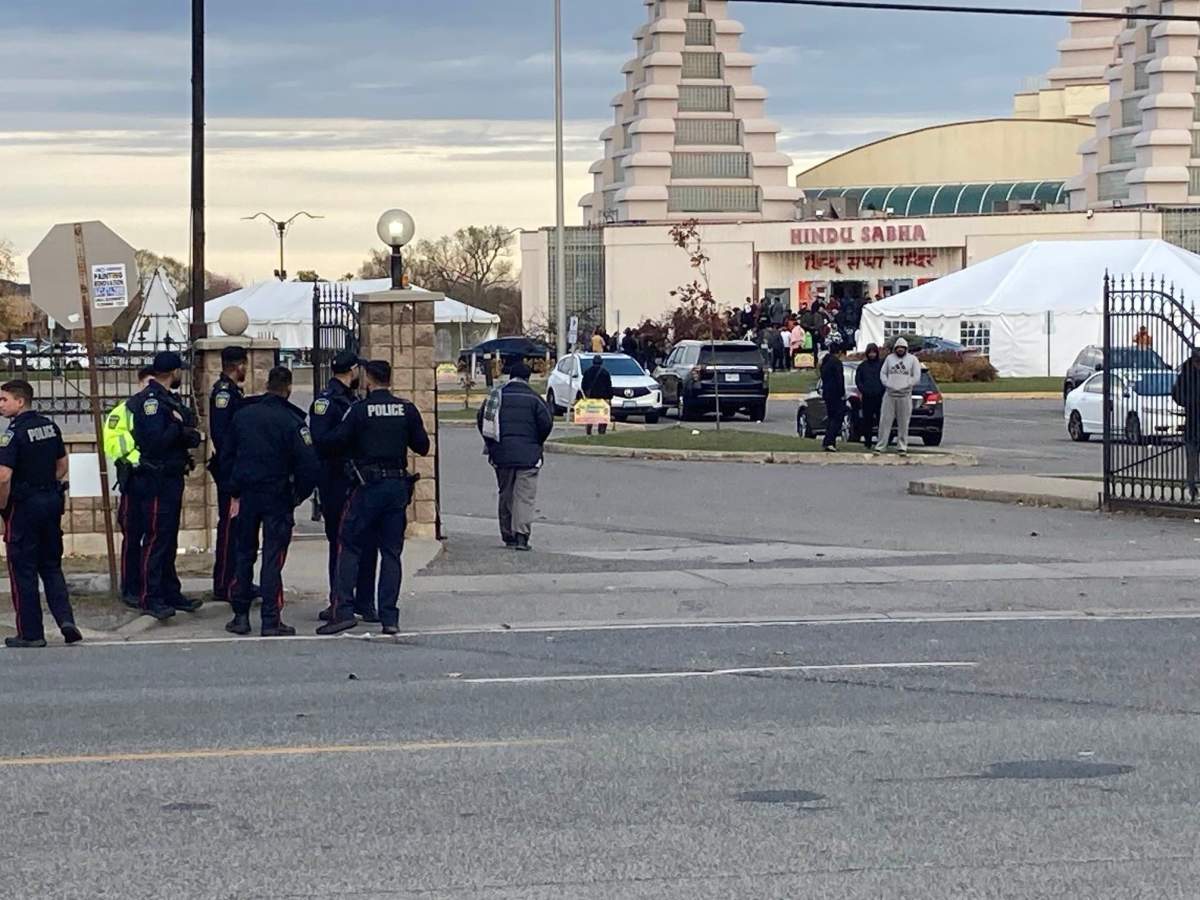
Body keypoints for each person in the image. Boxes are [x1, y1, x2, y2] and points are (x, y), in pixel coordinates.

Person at [316, 360, 430, 636]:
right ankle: (389, 617)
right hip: (396, 488)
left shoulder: (359, 410)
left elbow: (333, 442)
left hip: (367, 487)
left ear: (368, 380)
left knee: (350, 545)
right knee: (391, 553)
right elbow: (422, 446)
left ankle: (343, 611)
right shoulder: (406, 408)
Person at [222, 366, 319, 637]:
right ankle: (270, 618)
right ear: (287, 388)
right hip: (277, 496)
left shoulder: (243, 416)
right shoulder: (292, 421)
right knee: (272, 557)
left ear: (267, 385)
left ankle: (240, 616)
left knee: (244, 555)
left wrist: (234, 490)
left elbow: (225, 456)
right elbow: (310, 465)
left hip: (247, 494)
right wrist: (297, 496)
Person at [0, 380, 79, 648]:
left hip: (24, 507)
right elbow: (63, 464)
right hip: (50, 502)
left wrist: (3, 506)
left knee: (23, 570)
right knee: (51, 566)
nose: (1, 405)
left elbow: (3, 476)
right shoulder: (49, 426)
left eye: (4, 399)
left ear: (20, 402)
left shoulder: (13, 433)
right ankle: (67, 621)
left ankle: (31, 633)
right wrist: (45, 485)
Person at [127, 351, 204, 620]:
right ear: (173, 372)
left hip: (172, 475)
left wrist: (184, 430)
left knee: (168, 538)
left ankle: (171, 591)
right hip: (156, 478)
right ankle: (151, 595)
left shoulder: (168, 399)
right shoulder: (151, 402)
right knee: (156, 538)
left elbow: (190, 422)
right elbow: (155, 441)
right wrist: (181, 431)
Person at [311, 350, 380, 624]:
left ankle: (364, 601)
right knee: (341, 543)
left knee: (366, 541)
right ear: (352, 370)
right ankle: (339, 600)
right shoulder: (327, 402)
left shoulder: (354, 400)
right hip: (336, 481)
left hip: (358, 482)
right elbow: (321, 440)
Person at [476, 361, 553, 550]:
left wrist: (492, 446)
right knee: (524, 497)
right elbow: (546, 423)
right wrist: (536, 442)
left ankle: (507, 534)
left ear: (510, 377)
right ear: (528, 378)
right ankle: (521, 536)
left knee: (506, 493)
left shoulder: (495, 396)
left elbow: (482, 420)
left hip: (501, 454)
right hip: (529, 455)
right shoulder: (535, 399)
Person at [103, 366, 152, 606]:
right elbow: (113, 445)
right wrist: (140, 458)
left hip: (158, 481)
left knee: (158, 539)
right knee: (132, 537)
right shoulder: (123, 412)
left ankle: (153, 587)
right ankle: (131, 588)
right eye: (148, 383)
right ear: (140, 384)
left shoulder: (165, 407)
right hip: (135, 480)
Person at [207, 345, 248, 603]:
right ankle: (224, 582)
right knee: (229, 526)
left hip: (236, 468)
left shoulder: (233, 392)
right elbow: (222, 436)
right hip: (229, 470)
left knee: (238, 527)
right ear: (239, 365)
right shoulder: (224, 394)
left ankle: (236, 578)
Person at [875, 337, 921, 455]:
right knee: (885, 421)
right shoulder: (889, 359)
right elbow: (883, 373)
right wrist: (887, 383)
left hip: (904, 396)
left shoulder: (913, 360)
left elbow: (916, 376)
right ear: (895, 348)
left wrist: (907, 384)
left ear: (906, 349)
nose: (900, 349)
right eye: (898, 348)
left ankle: (902, 446)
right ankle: (881, 446)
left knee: (903, 423)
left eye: (902, 348)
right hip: (890, 395)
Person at [1172, 348, 1200, 500]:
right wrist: (1192, 401)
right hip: (1192, 423)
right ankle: (1192, 487)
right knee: (1192, 458)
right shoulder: (1186, 375)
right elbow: (1177, 395)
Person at [855, 343, 885, 449]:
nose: (872, 355)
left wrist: (881, 390)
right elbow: (858, 381)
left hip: (880, 397)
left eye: (874, 352)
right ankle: (868, 441)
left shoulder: (882, 365)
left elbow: (885, 378)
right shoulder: (862, 366)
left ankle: (881, 441)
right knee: (867, 421)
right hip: (867, 398)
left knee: (881, 420)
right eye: (870, 352)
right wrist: (864, 390)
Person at [820, 343, 846, 452]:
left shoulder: (825, 362)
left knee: (831, 418)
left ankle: (829, 442)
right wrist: (842, 393)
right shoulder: (836, 363)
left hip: (827, 393)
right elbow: (839, 380)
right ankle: (830, 441)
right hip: (835, 394)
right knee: (837, 419)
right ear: (839, 352)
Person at [580, 355, 613, 436]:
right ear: (601, 362)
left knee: (590, 416)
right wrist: (610, 397)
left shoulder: (587, 372)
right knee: (603, 417)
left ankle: (589, 431)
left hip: (591, 397)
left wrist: (586, 394)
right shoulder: (605, 372)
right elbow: (609, 386)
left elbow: (583, 385)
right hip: (602, 398)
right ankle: (601, 432)